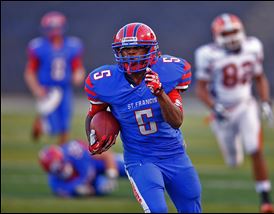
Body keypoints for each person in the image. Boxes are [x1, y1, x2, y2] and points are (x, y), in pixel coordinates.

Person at [84, 23, 202, 213]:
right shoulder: (106, 82)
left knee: (192, 209)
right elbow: (93, 115)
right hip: (141, 158)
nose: (130, 54)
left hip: (175, 154)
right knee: (157, 210)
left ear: (150, 50)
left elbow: (176, 121)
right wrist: (93, 138)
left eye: (136, 49)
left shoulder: (167, 74)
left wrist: (160, 92)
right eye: (125, 50)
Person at [194, 13, 274, 213]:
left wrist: (265, 102)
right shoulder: (207, 54)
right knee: (234, 161)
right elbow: (201, 88)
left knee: (255, 148)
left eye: (234, 32)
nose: (231, 37)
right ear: (217, 35)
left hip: (245, 104)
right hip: (222, 112)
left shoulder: (253, 46)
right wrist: (214, 108)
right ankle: (230, 140)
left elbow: (260, 77)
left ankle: (266, 200)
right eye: (226, 33)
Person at [24, 11, 86, 145]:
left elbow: (78, 67)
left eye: (56, 28)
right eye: (51, 28)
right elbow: (30, 71)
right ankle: (40, 123)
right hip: (47, 88)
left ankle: (61, 151)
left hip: (64, 88)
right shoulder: (38, 46)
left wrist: (78, 75)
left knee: (65, 123)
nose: (54, 32)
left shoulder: (72, 45)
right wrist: (36, 89)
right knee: (52, 126)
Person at [38, 139, 126, 197]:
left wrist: (111, 175)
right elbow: (82, 191)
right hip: (94, 180)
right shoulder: (56, 183)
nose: (64, 171)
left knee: (128, 167)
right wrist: (82, 191)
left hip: (97, 165)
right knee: (102, 188)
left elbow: (107, 155)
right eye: (58, 172)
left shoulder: (76, 152)